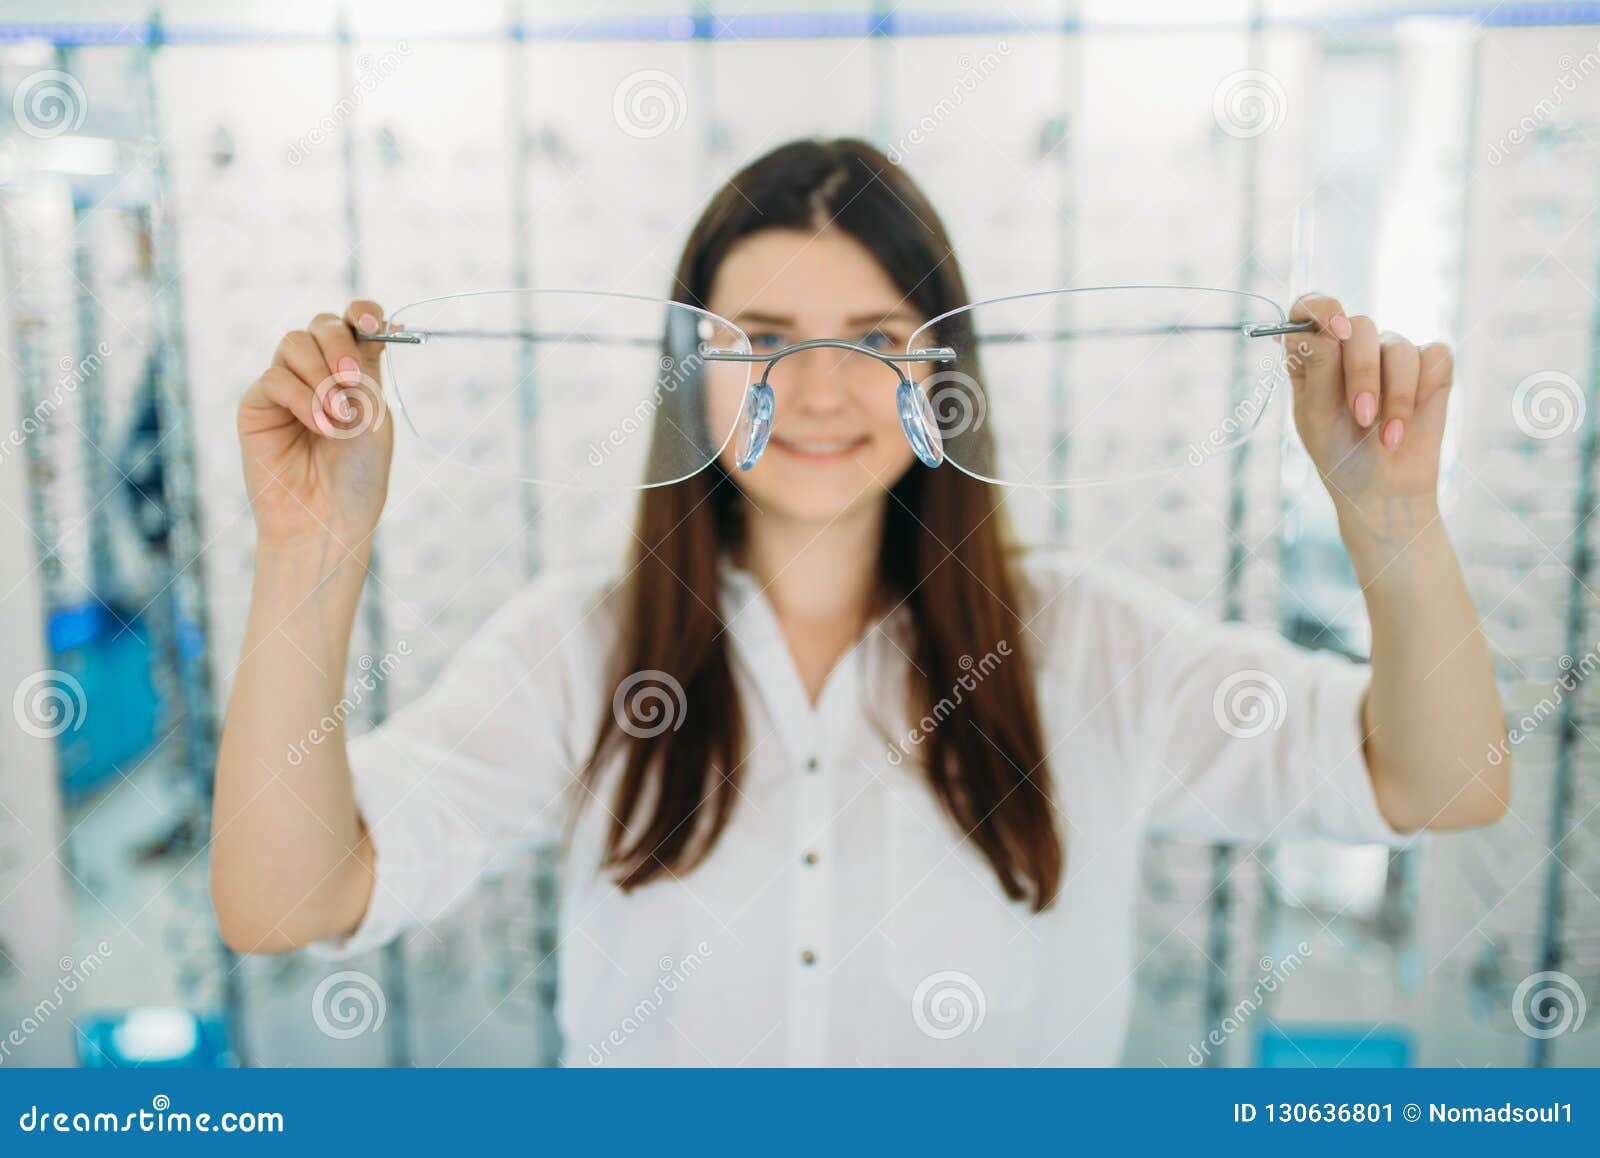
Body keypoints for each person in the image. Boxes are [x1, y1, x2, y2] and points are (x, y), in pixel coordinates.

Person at [212, 137, 1508, 1065]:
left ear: (943, 372)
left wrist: (1389, 521)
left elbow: (1442, 782)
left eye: (880, 342)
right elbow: (285, 899)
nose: (820, 394)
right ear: (688, 370)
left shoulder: (1093, 645)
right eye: (762, 341)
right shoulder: (576, 653)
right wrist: (308, 552)